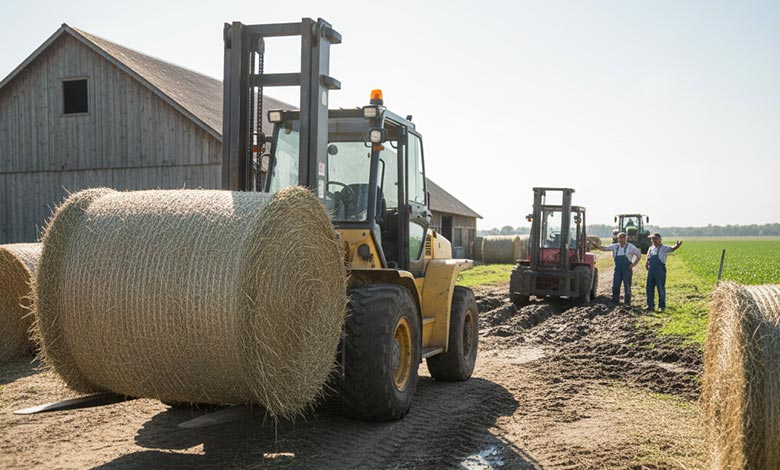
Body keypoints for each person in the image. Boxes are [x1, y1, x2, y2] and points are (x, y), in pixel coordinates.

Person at [597, 232, 642, 305]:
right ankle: (615, 302)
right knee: (615, 285)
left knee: (627, 286)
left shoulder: (630, 246)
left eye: (622, 237)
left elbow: (639, 254)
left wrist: (633, 264)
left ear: (625, 238)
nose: (620, 239)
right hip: (617, 269)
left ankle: (627, 303)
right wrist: (597, 246)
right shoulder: (615, 246)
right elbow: (605, 248)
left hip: (626, 269)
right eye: (619, 238)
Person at [645, 232, 683, 311]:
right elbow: (648, 256)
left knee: (660, 287)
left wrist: (678, 245)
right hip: (651, 270)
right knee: (649, 288)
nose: (653, 240)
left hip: (660, 270)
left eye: (655, 238)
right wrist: (646, 263)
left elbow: (672, 248)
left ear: (660, 239)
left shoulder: (664, 248)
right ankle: (650, 305)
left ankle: (662, 306)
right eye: (652, 239)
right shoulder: (651, 248)